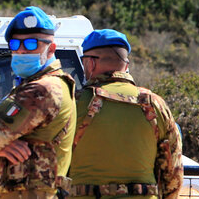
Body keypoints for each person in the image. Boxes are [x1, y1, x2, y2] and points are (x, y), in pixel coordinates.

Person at [0, 6, 77, 198]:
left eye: (31, 44)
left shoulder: (42, 89)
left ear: (51, 48)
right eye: (15, 44)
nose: (21, 50)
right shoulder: (30, 86)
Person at [68, 29, 183, 199]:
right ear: (126, 66)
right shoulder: (155, 105)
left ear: (91, 63)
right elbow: (173, 174)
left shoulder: (74, 103)